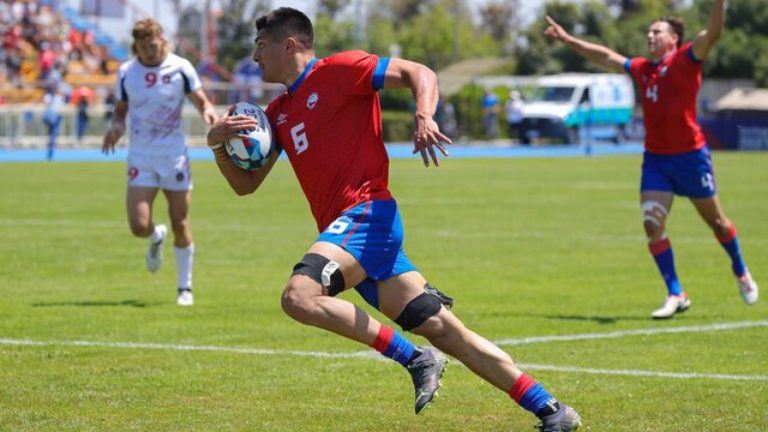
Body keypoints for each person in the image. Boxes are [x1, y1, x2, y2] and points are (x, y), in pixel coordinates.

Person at [206, 8, 581, 431]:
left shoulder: (341, 69)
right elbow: (246, 185)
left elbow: (420, 72)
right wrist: (217, 146)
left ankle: (415, 358)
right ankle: (552, 410)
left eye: (260, 47)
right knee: (446, 331)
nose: (255, 58)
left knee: (299, 296)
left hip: (367, 214)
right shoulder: (277, 113)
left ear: (288, 44)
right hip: (354, 240)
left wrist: (424, 114)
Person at [544, 0, 758, 319]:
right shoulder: (643, 68)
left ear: (674, 38)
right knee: (652, 223)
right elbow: (606, 56)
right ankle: (676, 292)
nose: (650, 35)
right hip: (657, 159)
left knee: (717, 222)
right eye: (648, 31)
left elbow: (713, 32)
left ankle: (740, 270)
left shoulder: (688, 59)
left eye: (657, 31)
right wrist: (569, 40)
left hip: (691, 157)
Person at [102, 19, 218, 306]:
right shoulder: (128, 72)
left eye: (153, 45)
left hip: (173, 155)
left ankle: (184, 288)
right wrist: (116, 127)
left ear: (161, 41)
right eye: (143, 47)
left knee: (180, 222)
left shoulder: (180, 67)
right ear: (136, 47)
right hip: (141, 156)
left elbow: (202, 101)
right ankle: (156, 236)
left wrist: (208, 113)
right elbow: (120, 112)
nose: (150, 52)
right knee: (138, 226)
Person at [42, 85, 64, 161]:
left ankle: (50, 151)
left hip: (55, 118)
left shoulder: (58, 98)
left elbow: (60, 108)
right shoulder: (49, 97)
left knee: (52, 136)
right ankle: (49, 151)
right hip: (51, 118)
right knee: (52, 136)